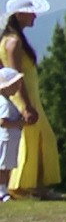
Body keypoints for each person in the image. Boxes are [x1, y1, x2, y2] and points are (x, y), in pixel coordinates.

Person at [2, 0, 60, 198]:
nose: (34, 16)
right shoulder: (13, 42)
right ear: (19, 15)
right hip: (23, 97)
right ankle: (21, 185)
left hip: (28, 96)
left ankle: (30, 184)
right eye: (30, 13)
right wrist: (26, 106)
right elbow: (15, 75)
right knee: (31, 140)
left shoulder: (10, 40)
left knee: (39, 139)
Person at [0, 66, 24, 202]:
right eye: (15, 84)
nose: (18, 86)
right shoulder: (4, 103)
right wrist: (20, 123)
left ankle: (4, 190)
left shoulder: (6, 101)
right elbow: (3, 122)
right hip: (6, 138)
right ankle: (2, 191)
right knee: (3, 166)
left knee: (7, 165)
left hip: (10, 138)